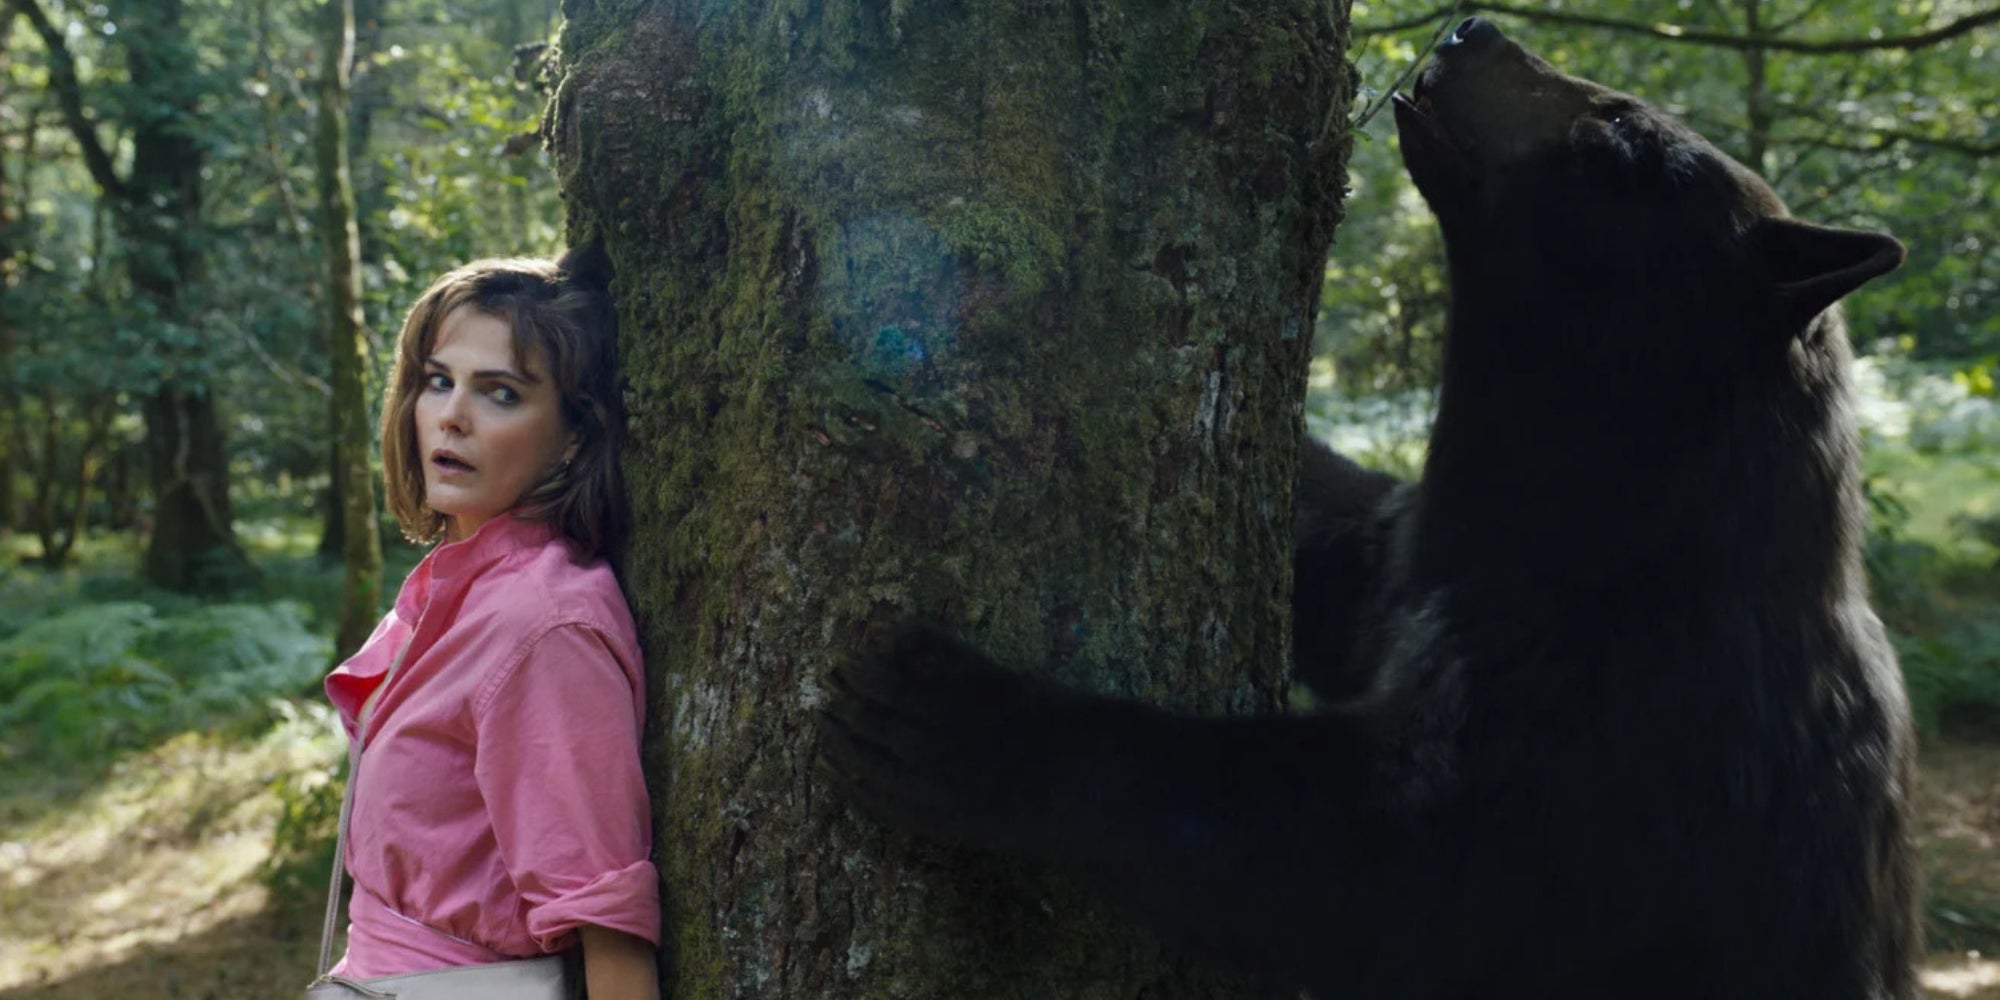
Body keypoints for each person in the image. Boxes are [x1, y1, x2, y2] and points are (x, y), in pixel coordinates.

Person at [323, 249, 660, 999]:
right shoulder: (460, 589)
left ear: (574, 434)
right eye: (438, 381)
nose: (452, 416)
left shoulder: (542, 625)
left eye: (500, 393)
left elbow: (609, 926)